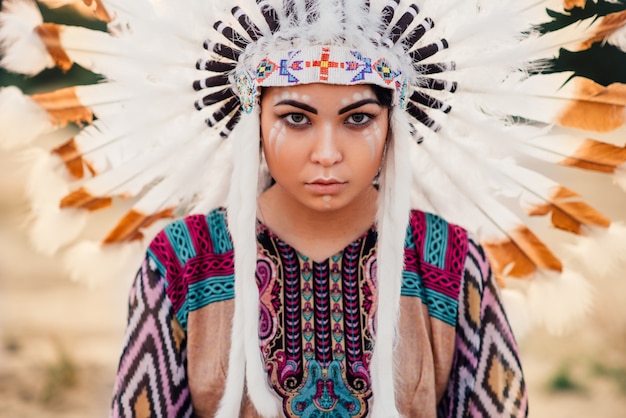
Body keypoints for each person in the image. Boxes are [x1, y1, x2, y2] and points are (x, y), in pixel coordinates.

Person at [109, 4, 528, 411]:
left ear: (391, 125)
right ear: (254, 120)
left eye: (358, 119)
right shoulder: (184, 258)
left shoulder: (449, 259)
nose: (327, 154)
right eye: (295, 119)